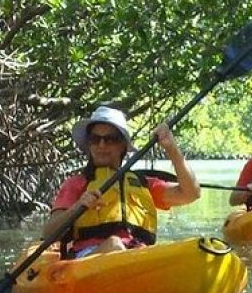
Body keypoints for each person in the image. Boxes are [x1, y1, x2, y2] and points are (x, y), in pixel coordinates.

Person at [42, 106, 200, 258]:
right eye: (95, 139)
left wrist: (171, 148)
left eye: (110, 139)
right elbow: (48, 233)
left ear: (122, 145)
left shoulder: (143, 183)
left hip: (138, 256)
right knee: (114, 245)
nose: (101, 145)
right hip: (89, 258)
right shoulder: (76, 183)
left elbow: (191, 193)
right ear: (89, 144)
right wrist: (78, 207)